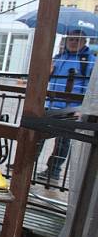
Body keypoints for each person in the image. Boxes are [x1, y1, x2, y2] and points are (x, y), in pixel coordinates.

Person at [36, 28, 95, 180]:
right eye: (71, 39)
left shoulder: (88, 61)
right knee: (39, 135)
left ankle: (53, 171)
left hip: (71, 107)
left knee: (62, 140)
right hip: (52, 104)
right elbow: (49, 78)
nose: (73, 42)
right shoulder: (59, 57)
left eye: (77, 39)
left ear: (84, 42)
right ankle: (29, 163)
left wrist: (83, 108)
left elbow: (92, 86)